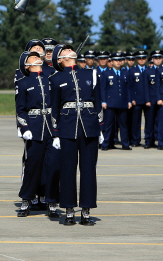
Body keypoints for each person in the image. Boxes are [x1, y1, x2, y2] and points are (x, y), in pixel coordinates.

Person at [49, 44, 103, 225]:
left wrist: (100, 127)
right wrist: (55, 133)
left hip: (89, 126)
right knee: (68, 170)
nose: (69, 52)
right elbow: (54, 109)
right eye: (65, 51)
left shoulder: (91, 74)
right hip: (67, 127)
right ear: (60, 59)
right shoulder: (56, 79)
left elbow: (98, 102)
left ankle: (86, 210)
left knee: (88, 169)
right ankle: (69, 209)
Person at [14, 51, 59, 218]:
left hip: (52, 128)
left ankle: (52, 201)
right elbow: (20, 109)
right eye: (32, 57)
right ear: (27, 65)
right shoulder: (23, 82)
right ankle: (26, 199)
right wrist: (24, 128)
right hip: (34, 128)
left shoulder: (51, 79)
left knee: (53, 165)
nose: (37, 57)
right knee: (33, 166)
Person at [100, 52, 131, 150]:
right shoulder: (106, 73)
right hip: (110, 103)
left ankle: (125, 144)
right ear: (111, 62)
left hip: (122, 103)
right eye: (115, 60)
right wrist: (103, 101)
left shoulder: (125, 72)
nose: (118, 62)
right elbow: (103, 89)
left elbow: (129, 88)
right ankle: (106, 144)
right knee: (108, 125)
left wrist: (129, 101)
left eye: (119, 60)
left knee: (123, 125)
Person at [127, 50, 151, 148]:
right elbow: (129, 87)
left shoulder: (149, 69)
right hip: (136, 100)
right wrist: (132, 98)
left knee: (148, 122)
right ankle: (135, 140)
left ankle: (148, 140)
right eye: (139, 58)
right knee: (136, 122)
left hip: (148, 100)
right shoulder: (132, 70)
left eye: (143, 58)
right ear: (136, 59)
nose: (141, 60)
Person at [143, 50, 160, 148]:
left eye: (159, 58)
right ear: (152, 60)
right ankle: (148, 140)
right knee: (149, 122)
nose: (158, 60)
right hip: (151, 100)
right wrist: (147, 100)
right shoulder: (148, 71)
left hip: (161, 100)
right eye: (156, 58)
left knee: (158, 122)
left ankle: (155, 139)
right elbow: (146, 87)